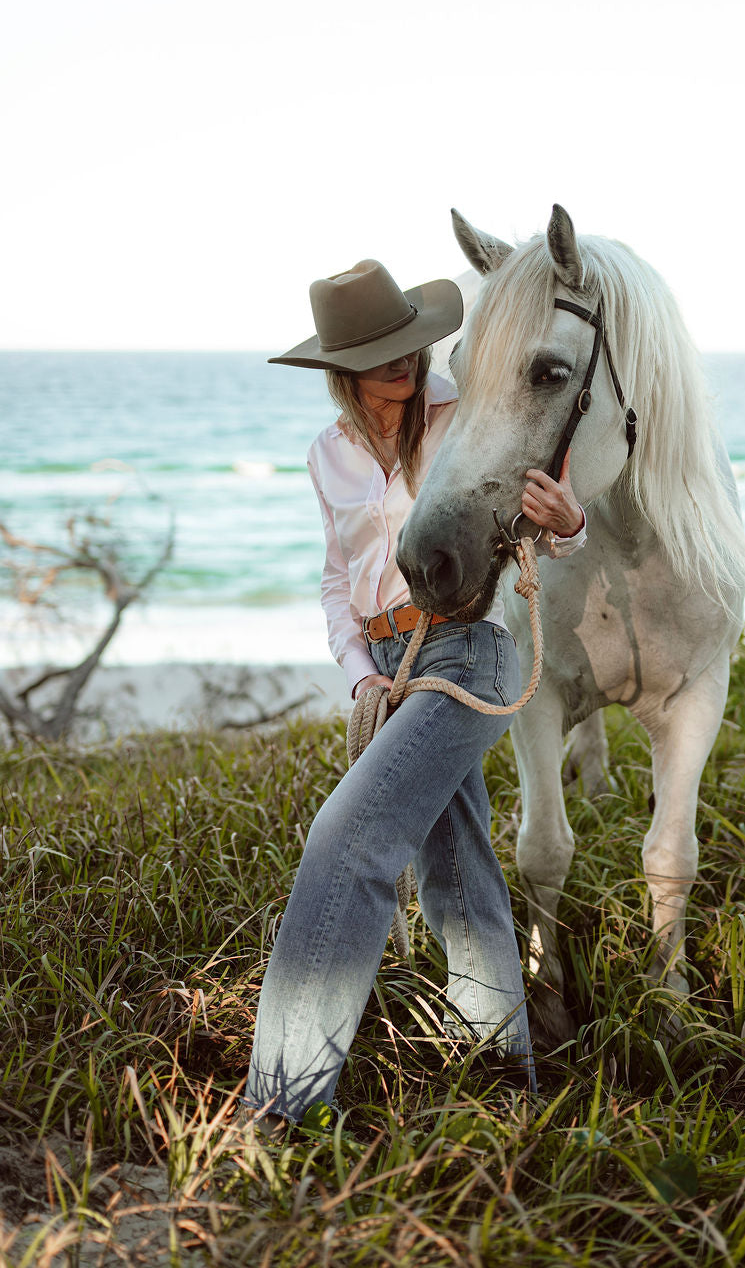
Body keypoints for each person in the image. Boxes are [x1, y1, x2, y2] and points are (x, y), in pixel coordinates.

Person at [239, 258, 585, 1132]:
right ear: (342, 369)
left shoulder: (463, 424)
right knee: (457, 872)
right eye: (379, 354)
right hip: (387, 667)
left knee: (346, 838)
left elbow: (550, 537)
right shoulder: (328, 456)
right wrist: (360, 672)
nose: (404, 364)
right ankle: (508, 1078)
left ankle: (279, 1107)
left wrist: (568, 525)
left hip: (469, 650)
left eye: (409, 348)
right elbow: (335, 579)